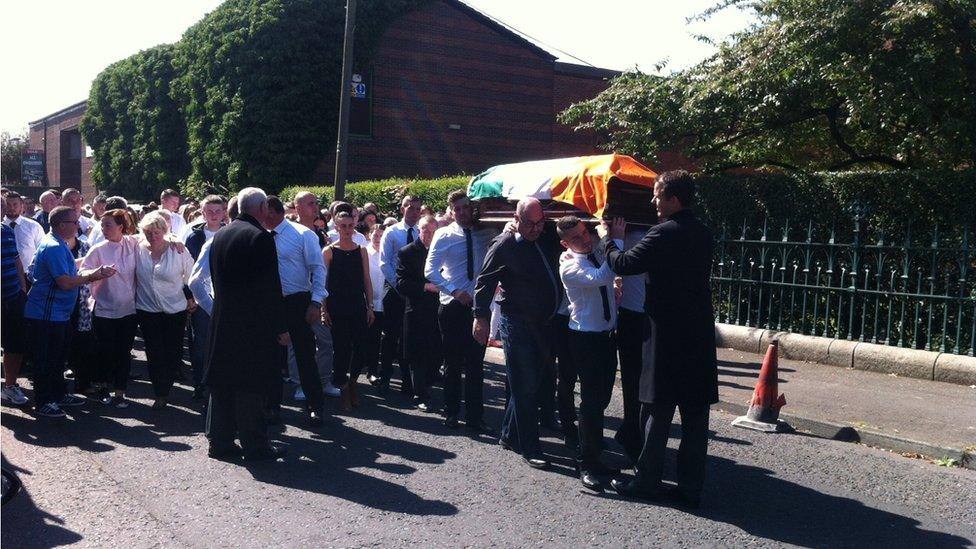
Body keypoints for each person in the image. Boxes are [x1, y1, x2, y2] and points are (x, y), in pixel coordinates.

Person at [599, 170, 718, 509]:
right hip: (697, 334)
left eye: (657, 195)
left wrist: (610, 238)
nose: (652, 201)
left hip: (666, 334)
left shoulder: (662, 233)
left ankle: (647, 479)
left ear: (673, 200)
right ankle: (690, 488)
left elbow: (624, 263)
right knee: (695, 417)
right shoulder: (704, 234)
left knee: (656, 409)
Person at [473, 198, 563, 470]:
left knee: (530, 383)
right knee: (525, 386)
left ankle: (510, 434)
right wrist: (480, 318)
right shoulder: (505, 245)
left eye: (540, 222)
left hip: (543, 324)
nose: (536, 229)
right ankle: (530, 447)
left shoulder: (545, 235)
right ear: (517, 218)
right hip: (518, 323)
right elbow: (484, 281)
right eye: (530, 223)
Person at [205, 187, 289, 461]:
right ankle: (256, 446)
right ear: (263, 208)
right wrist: (279, 327)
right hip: (250, 325)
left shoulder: (222, 234)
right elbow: (269, 289)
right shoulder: (260, 238)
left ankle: (220, 442)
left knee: (223, 383)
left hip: (223, 320)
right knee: (251, 386)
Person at [24, 206, 115, 418]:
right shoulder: (54, 246)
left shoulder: (58, 244)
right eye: (74, 222)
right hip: (45, 315)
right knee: (46, 359)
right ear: (61, 225)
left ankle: (58, 394)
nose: (79, 225)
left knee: (57, 357)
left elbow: (68, 271)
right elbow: (65, 282)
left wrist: (89, 269)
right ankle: (45, 400)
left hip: (58, 314)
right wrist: (92, 276)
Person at [556, 215, 621, 491]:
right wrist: (613, 237)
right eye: (576, 239)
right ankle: (586, 463)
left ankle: (596, 455)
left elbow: (609, 277)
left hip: (606, 336)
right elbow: (603, 275)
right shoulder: (569, 266)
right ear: (564, 243)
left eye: (585, 233)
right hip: (585, 338)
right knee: (591, 402)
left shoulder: (596, 253)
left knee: (602, 398)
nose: (584, 240)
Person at [424, 190, 496, 433]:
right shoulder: (443, 235)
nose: (462, 212)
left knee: (476, 364)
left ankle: (476, 417)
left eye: (466, 207)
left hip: (478, 306)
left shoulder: (486, 232)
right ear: (451, 212)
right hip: (453, 306)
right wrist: (454, 291)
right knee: (453, 362)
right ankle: (451, 412)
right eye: (457, 209)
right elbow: (430, 271)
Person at [263, 195, 328, 426]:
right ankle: (272, 406)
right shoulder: (260, 235)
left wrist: (316, 302)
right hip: (270, 303)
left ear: (274, 211)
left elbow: (318, 270)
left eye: (266, 211)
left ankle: (315, 405)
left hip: (298, 301)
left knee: (305, 355)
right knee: (271, 356)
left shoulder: (303, 235)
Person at [134, 211, 196, 410]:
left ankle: (167, 384)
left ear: (165, 230)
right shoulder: (138, 248)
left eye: (157, 232)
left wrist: (191, 298)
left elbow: (191, 276)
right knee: (154, 352)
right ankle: (160, 393)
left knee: (173, 352)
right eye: (148, 232)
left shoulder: (178, 250)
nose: (152, 236)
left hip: (174, 310)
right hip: (147, 309)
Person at [82, 209, 141, 408]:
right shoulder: (98, 248)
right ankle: (103, 387)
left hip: (129, 308)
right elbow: (83, 271)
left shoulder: (133, 243)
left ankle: (120, 392)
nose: (103, 228)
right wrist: (97, 273)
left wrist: (174, 241)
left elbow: (158, 236)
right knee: (106, 350)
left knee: (124, 351)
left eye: (108, 225)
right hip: (104, 308)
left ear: (121, 227)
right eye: (102, 224)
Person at [322, 211, 374, 411]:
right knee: (341, 349)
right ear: (336, 227)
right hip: (336, 307)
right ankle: (343, 388)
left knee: (360, 347)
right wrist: (324, 309)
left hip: (357, 306)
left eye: (350, 226)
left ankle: (353, 382)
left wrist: (370, 306)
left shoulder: (361, 250)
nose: (347, 230)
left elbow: (367, 280)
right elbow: (323, 283)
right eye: (342, 226)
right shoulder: (328, 251)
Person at [293, 191, 340, 399]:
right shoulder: (291, 232)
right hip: (297, 294)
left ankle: (323, 380)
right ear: (298, 208)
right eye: (310, 203)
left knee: (325, 340)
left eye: (316, 203)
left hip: (319, 294)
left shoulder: (322, 234)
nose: (315, 207)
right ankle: (299, 384)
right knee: (298, 344)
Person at [378, 195, 423, 395]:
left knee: (410, 336)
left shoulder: (423, 232)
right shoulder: (392, 232)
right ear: (402, 209)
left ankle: (408, 380)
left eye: (417, 208)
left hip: (415, 290)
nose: (414, 211)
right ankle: (385, 377)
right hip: (395, 288)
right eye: (410, 207)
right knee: (390, 335)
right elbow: (384, 262)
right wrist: (399, 286)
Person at [184, 194, 227, 399]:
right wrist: (189, 298)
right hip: (201, 298)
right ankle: (200, 383)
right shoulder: (194, 238)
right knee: (200, 344)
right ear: (202, 213)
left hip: (225, 298)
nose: (214, 215)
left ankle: (219, 383)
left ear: (224, 212)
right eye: (209, 211)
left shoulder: (230, 233)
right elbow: (187, 270)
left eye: (218, 211)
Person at [395, 215, 440, 412]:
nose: (429, 235)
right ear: (419, 230)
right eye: (425, 230)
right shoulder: (408, 252)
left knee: (436, 353)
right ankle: (419, 393)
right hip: (417, 309)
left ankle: (424, 388)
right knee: (418, 354)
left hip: (439, 310)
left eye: (433, 231)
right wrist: (425, 287)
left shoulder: (442, 249)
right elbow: (401, 283)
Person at [614, 228, 652, 462]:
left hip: (634, 314)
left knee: (633, 380)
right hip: (635, 313)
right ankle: (632, 431)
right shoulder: (646, 235)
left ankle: (633, 432)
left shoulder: (639, 236)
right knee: (637, 381)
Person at [1, 223, 29, 405]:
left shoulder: (6, 230)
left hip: (12, 298)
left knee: (15, 345)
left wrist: (22, 290)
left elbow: (16, 261)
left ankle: (9, 387)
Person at [3, 192, 45, 273]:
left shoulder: (33, 226)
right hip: (4, 275)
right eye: (8, 204)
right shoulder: (1, 226)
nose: (12, 207)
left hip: (29, 275)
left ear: (21, 206)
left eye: (15, 204)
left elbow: (42, 252)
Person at [364, 224, 385, 383]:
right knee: (368, 338)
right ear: (369, 235)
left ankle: (378, 371)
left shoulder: (388, 253)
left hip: (385, 303)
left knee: (380, 339)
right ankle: (367, 370)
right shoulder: (364, 252)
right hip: (367, 302)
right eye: (375, 235)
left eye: (381, 236)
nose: (378, 239)